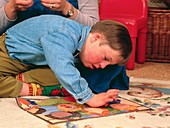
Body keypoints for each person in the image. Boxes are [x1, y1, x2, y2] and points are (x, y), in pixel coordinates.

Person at [0, 15, 132, 107]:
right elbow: (61, 63)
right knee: (65, 71)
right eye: (105, 58)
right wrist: (89, 97)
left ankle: (20, 79)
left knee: (70, 77)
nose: (103, 66)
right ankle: (25, 87)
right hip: (11, 51)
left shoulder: (82, 46)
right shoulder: (66, 33)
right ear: (95, 38)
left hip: (36, 63)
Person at [0, 0, 99, 35]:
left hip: (65, 52)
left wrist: (66, 8)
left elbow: (94, 30)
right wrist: (11, 7)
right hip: (16, 51)